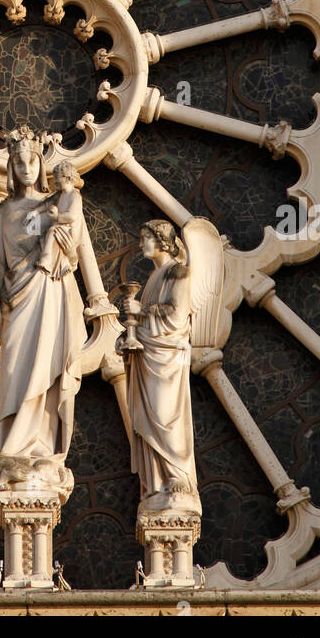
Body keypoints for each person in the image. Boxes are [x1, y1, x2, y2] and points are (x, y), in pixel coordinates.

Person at [0, 128, 87, 470]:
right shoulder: (1, 213)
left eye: (32, 161)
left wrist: (60, 243)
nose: (27, 168)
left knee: (46, 364)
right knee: (14, 369)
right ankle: (13, 439)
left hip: (46, 288)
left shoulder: (55, 204)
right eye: (19, 162)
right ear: (11, 168)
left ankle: (40, 440)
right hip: (15, 297)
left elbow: (71, 248)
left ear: (42, 166)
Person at [125, 219, 200, 512]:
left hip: (167, 360)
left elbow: (177, 316)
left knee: (167, 417)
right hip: (149, 359)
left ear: (162, 241)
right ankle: (157, 482)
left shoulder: (177, 272)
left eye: (146, 238)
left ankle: (177, 476)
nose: (142, 244)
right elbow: (146, 323)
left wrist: (141, 311)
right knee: (150, 420)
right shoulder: (154, 278)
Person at [38, 160, 84, 280]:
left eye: (57, 178)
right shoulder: (60, 194)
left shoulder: (75, 195)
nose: (55, 181)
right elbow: (47, 204)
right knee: (44, 237)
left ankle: (47, 258)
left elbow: (72, 216)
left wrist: (57, 216)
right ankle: (62, 264)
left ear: (68, 178)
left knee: (52, 230)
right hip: (61, 228)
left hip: (69, 231)